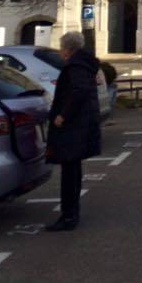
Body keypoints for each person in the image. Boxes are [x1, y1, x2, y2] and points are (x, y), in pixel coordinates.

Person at [45, 31, 101, 232]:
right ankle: (70, 214)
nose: (60, 52)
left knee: (69, 173)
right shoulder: (84, 63)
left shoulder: (75, 66)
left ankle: (69, 216)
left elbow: (79, 90)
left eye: (61, 48)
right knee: (72, 171)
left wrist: (63, 115)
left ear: (67, 50)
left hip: (74, 126)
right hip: (81, 124)